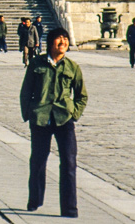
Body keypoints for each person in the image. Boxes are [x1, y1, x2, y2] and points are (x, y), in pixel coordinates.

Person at [20, 27, 87, 218]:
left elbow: (82, 95)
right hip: (41, 118)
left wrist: (74, 114)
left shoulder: (72, 67)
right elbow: (26, 91)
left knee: (69, 161)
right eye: (59, 39)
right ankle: (35, 199)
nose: (63, 42)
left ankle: (69, 208)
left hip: (63, 119)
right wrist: (29, 113)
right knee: (38, 161)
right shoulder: (36, 63)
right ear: (51, 43)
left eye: (65, 39)